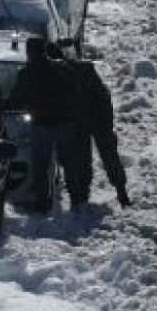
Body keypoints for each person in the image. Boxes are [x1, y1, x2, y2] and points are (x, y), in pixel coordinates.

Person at [7, 37, 89, 212]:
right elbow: (77, 92)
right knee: (69, 164)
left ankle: (43, 204)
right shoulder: (62, 68)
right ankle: (76, 200)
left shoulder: (27, 73)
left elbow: (15, 100)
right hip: (66, 124)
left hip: (42, 126)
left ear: (29, 52)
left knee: (41, 167)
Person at [52, 44, 131, 208]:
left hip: (97, 120)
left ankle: (121, 192)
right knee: (83, 160)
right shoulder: (60, 73)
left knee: (108, 156)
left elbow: (102, 95)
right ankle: (83, 196)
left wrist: (107, 122)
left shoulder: (83, 69)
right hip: (79, 123)